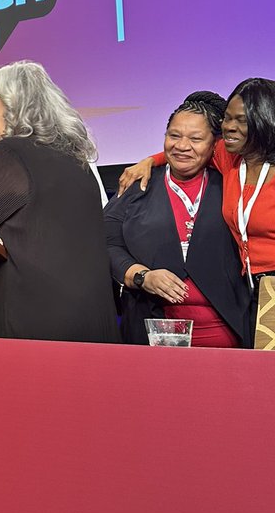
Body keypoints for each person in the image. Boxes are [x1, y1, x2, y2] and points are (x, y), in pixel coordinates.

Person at [0, 61, 119, 342]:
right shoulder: (77, 160)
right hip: (90, 322)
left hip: (29, 325)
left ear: (14, 104)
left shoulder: (11, 155)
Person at [119, 79, 275, 326]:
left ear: (269, 120)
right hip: (253, 292)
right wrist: (149, 161)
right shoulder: (230, 159)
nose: (228, 127)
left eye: (240, 120)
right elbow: (187, 150)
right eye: (227, 118)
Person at [104, 95, 250, 346]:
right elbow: (105, 241)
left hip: (227, 335)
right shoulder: (137, 184)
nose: (182, 146)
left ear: (215, 144)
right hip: (152, 331)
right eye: (174, 136)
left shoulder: (232, 184)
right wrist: (141, 276)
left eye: (195, 139)